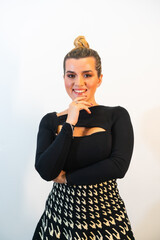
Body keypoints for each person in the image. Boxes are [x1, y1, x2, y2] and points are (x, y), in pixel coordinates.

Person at [32, 36, 135, 239]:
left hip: (106, 219)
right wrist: (69, 122)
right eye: (71, 75)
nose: (78, 83)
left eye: (87, 75)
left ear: (100, 78)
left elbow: (118, 166)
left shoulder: (116, 115)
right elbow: (45, 170)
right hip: (59, 219)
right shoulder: (50, 121)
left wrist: (67, 178)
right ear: (64, 78)